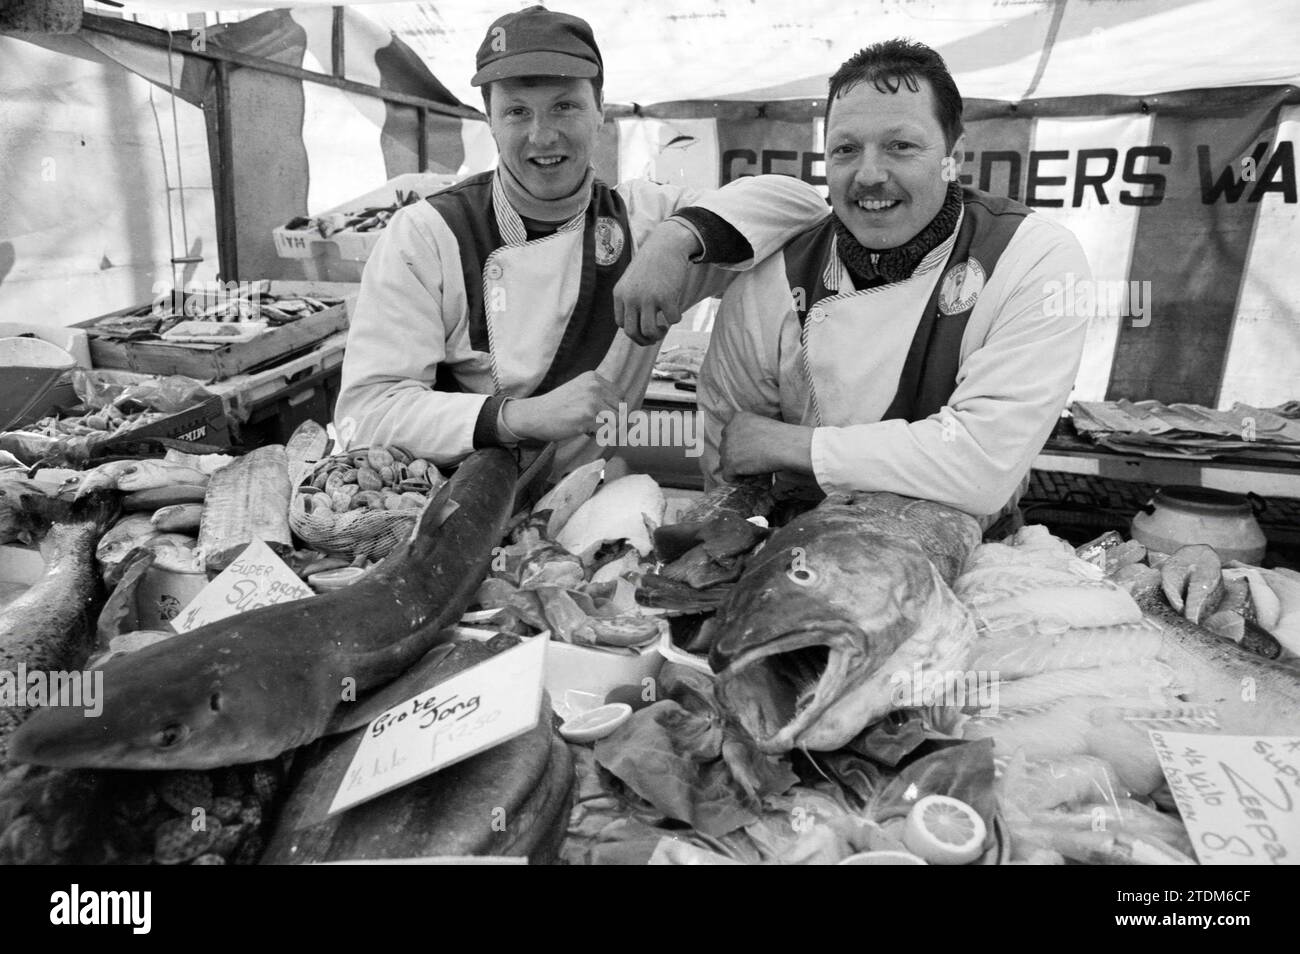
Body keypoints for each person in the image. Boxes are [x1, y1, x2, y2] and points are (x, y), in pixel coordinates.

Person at [335, 6, 827, 474]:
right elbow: (367, 413)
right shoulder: (427, 233)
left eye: (565, 106)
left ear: (600, 113)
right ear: (489, 121)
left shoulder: (644, 218)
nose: (543, 136)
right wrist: (518, 417)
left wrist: (674, 240)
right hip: (445, 498)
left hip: (582, 494)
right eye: (517, 112)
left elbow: (803, 205)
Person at [696, 39, 1092, 528]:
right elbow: (732, 459)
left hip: (971, 560)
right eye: (846, 150)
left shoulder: (1031, 257)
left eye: (900, 146)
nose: (869, 174)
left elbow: (981, 466)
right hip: (793, 551)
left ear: (953, 156)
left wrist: (792, 446)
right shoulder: (776, 274)